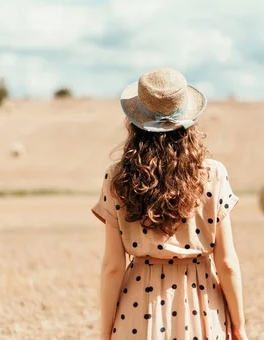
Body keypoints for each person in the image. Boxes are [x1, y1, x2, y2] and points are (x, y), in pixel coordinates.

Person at [91, 68, 249, 340]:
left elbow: (113, 267)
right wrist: (239, 326)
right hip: (203, 306)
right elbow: (227, 263)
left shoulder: (117, 178)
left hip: (138, 311)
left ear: (135, 122)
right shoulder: (213, 175)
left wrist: (106, 332)